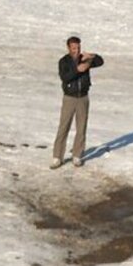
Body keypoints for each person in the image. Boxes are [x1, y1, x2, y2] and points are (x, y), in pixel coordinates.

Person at [52, 36, 103, 169]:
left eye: (78, 47)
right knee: (64, 126)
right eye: (74, 48)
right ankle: (57, 156)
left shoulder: (84, 58)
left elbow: (100, 61)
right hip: (69, 97)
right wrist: (78, 70)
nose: (77, 50)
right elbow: (65, 77)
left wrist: (91, 56)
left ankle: (77, 155)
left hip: (83, 97)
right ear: (69, 48)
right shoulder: (64, 61)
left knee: (81, 127)